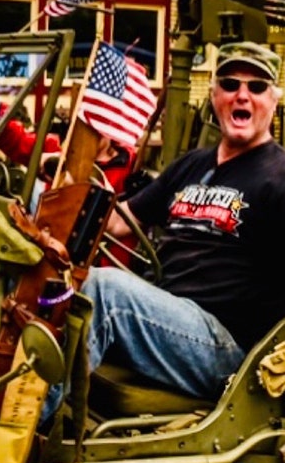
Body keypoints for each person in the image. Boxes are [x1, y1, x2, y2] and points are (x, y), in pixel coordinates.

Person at [82, 41, 285, 400]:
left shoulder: (279, 176)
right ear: (213, 93)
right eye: (230, 84)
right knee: (63, 283)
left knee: (105, 292)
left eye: (256, 87)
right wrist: (60, 195)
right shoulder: (192, 164)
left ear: (274, 99)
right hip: (168, 316)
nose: (242, 95)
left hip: (226, 346)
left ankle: (19, 436)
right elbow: (117, 222)